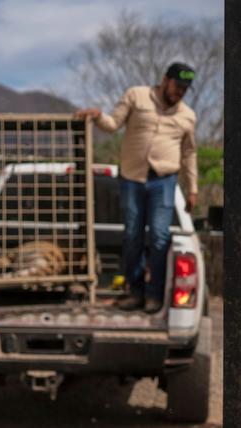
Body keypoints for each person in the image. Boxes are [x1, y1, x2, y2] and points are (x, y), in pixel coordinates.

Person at [75, 62, 198, 313]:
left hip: (164, 180)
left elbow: (189, 153)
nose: (180, 92)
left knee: (160, 236)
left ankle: (154, 294)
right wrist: (97, 116)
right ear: (165, 80)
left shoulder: (188, 115)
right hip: (133, 177)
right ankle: (135, 291)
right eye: (177, 86)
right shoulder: (136, 96)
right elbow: (113, 124)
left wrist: (192, 188)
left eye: (185, 89)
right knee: (132, 234)